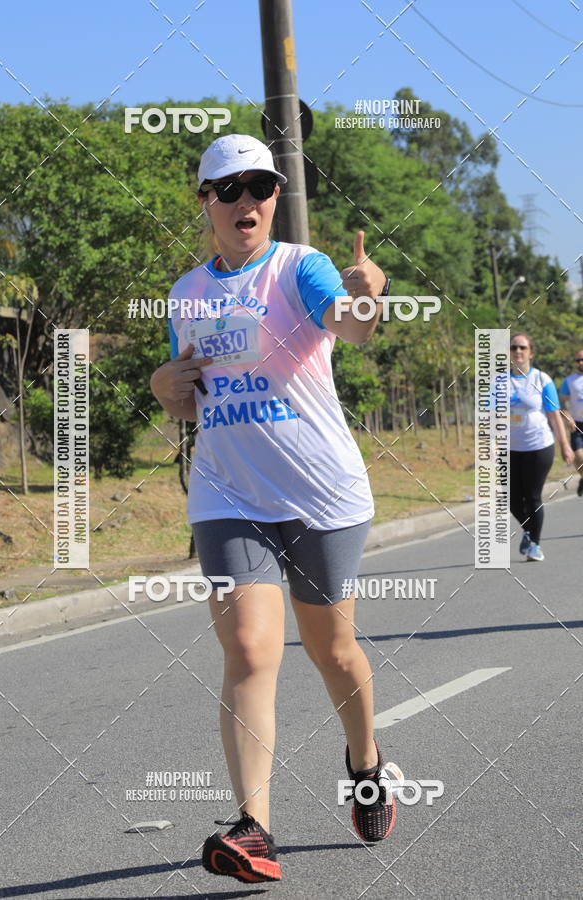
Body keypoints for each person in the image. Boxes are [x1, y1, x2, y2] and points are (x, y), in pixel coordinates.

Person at [150, 134, 396, 884]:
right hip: (228, 494)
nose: (246, 200)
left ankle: (365, 760)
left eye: (260, 185)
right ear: (206, 203)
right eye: (229, 189)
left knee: (333, 652)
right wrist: (166, 387)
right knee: (250, 651)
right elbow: (190, 398)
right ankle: (254, 828)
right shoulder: (186, 293)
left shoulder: (301, 267)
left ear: (275, 197)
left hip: (320, 493)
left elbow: (349, 327)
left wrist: (368, 294)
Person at [509, 333, 574, 561]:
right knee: (512, 499)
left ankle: (534, 544)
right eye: (514, 347)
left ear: (531, 352)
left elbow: (554, 416)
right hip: (510, 449)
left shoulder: (541, 379)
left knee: (532, 495)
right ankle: (529, 531)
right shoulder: (499, 382)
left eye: (522, 348)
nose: (518, 351)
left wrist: (565, 445)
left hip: (539, 446)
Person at [558, 349, 583, 497]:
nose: (580, 362)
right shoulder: (569, 381)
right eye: (578, 360)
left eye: (582, 359)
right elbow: (561, 404)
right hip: (578, 425)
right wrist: (568, 417)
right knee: (579, 459)